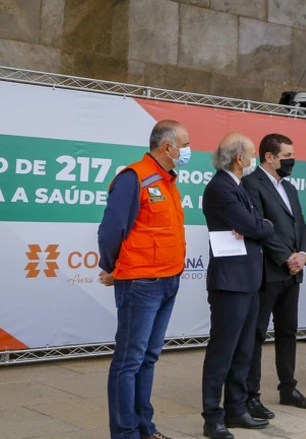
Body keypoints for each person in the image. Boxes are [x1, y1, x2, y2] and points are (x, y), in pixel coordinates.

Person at [98, 120, 190, 439]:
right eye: (185, 144)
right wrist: (110, 267)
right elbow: (111, 229)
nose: (187, 150)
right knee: (129, 360)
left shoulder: (167, 181)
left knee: (148, 358)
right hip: (140, 283)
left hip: (167, 280)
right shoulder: (133, 177)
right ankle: (125, 433)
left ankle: (144, 427)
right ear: (167, 147)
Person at [200, 133, 275, 439]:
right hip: (230, 283)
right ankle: (212, 417)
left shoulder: (238, 185)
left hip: (249, 280)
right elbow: (255, 226)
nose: (253, 159)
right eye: (251, 154)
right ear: (237, 157)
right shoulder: (219, 187)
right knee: (223, 351)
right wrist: (260, 227)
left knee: (244, 350)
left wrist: (260, 226)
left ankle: (236, 408)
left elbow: (259, 222)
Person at [242, 133, 306, 419]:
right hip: (267, 272)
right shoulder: (252, 183)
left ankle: (288, 388)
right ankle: (252, 396)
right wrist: (286, 257)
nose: (291, 161)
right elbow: (259, 226)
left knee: (288, 332)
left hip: (292, 274)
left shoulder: (290, 188)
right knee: (257, 335)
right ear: (270, 157)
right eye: (287, 155)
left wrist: (304, 255)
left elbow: (302, 226)